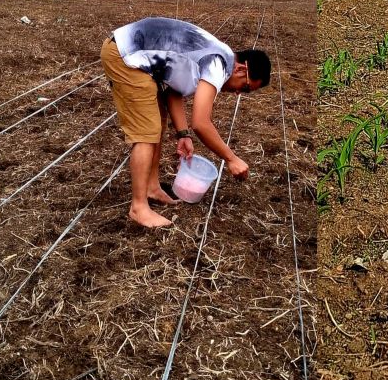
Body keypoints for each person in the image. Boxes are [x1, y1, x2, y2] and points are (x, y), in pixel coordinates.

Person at [100, 17, 271, 228]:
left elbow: (174, 92)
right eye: (244, 88)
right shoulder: (219, 63)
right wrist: (231, 158)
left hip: (131, 51)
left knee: (157, 123)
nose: (237, 93)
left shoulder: (219, 56)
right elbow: (201, 122)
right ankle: (138, 207)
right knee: (146, 131)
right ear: (240, 70)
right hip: (125, 54)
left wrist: (183, 135)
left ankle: (152, 187)